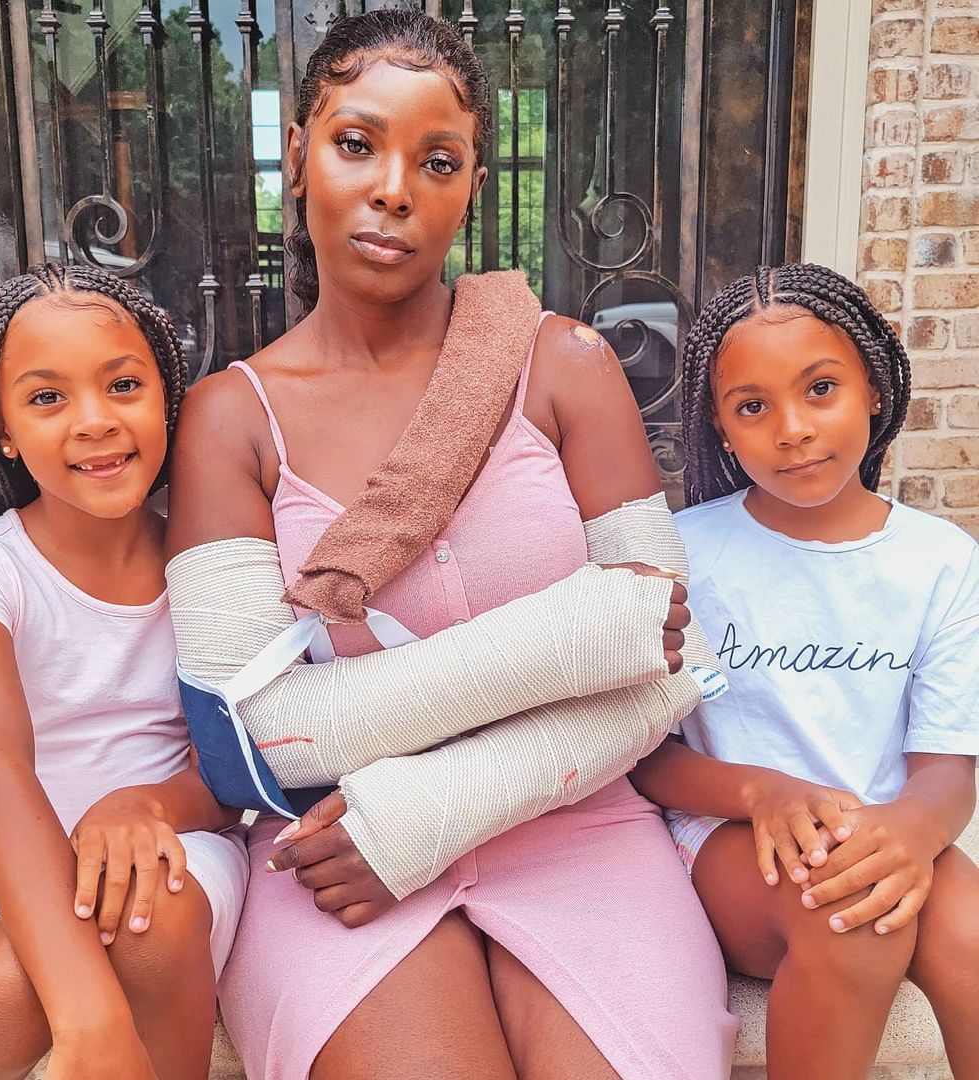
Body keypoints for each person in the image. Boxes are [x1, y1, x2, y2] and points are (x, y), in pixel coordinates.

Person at [166, 11, 735, 1080]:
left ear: (472, 186)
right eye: (356, 144)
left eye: (437, 161)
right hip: (334, 845)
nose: (394, 189)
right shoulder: (230, 421)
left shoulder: (563, 366)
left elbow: (663, 661)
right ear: (298, 154)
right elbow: (252, 737)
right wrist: (573, 639)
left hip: (575, 816)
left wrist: (433, 810)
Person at [0, 264, 248, 1080]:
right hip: (13, 860)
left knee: (151, 910)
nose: (95, 421)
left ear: (165, 399)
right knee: (11, 978)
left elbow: (233, 772)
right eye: (47, 397)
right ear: (3, 430)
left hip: (178, 846)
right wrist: (90, 1020)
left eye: (123, 384)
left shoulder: (207, 560)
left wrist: (145, 806)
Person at [632, 263, 979, 1079]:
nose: (791, 429)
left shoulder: (942, 561)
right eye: (752, 406)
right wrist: (761, 792)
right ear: (720, 427)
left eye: (821, 389)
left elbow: (947, 768)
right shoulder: (683, 553)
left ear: (875, 391)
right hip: (728, 839)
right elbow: (643, 755)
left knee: (971, 936)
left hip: (883, 825)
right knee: (847, 913)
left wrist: (910, 832)